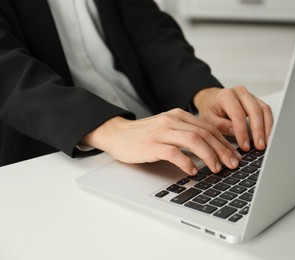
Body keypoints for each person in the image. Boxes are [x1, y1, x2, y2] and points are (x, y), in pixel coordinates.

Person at [0, 0, 273, 175]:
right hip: (54, 150)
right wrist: (112, 131)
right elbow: (7, 68)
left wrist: (202, 92)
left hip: (152, 131)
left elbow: (149, 30)